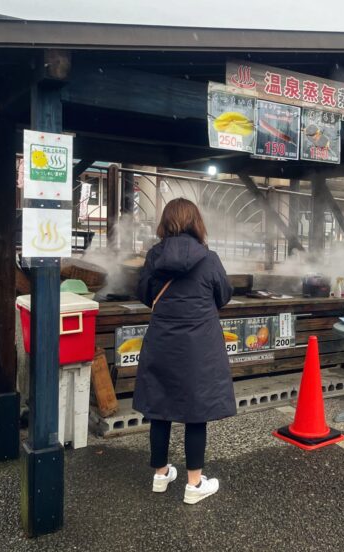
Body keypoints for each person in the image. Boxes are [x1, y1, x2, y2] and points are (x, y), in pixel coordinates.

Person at [134, 198, 235, 504]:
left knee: (159, 408)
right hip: (199, 347)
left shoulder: (154, 256)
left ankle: (161, 475)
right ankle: (194, 484)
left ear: (165, 223)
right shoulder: (209, 258)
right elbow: (224, 295)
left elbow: (143, 293)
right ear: (196, 223)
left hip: (162, 342)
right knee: (196, 413)